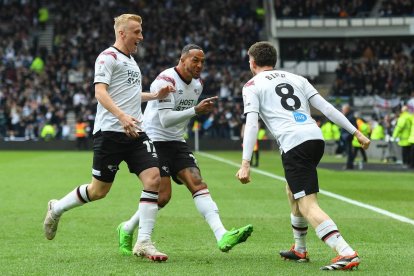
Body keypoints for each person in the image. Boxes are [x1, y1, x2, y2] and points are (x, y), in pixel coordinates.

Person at [43, 14, 175, 262]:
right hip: (110, 133)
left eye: (141, 30)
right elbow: (99, 92)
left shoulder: (132, 62)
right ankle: (57, 208)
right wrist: (122, 116)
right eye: (136, 31)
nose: (141, 36)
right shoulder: (108, 57)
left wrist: (155, 96)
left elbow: (131, 96)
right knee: (98, 191)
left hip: (135, 132)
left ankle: (144, 242)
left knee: (154, 178)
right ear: (122, 33)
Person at [236, 41, 370, 271]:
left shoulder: (251, 85)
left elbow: (251, 123)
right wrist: (356, 132)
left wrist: (245, 163)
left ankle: (346, 252)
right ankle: (299, 249)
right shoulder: (296, 78)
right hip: (314, 138)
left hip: (294, 143)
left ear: (252, 62)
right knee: (291, 190)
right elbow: (326, 108)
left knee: (307, 204)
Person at [117, 44, 253, 256]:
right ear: (182, 60)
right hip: (154, 139)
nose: (199, 65)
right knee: (162, 196)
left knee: (197, 182)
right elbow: (165, 119)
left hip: (176, 141)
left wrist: (194, 112)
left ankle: (222, 234)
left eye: (202, 61)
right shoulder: (165, 80)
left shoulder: (198, 84)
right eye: (195, 60)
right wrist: (196, 110)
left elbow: (180, 118)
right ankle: (126, 228)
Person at [341, 104, 357, 169]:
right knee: (348, 151)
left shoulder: (351, 117)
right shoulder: (348, 116)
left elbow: (354, 127)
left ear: (347, 109)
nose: (342, 111)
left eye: (343, 109)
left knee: (349, 151)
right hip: (346, 136)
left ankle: (349, 165)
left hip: (348, 136)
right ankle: (349, 165)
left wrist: (349, 135)